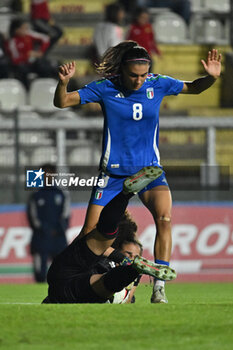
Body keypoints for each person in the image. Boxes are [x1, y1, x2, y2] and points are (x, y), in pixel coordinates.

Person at [53, 41, 222, 303]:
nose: (139, 81)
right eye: (134, 75)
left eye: (143, 75)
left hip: (149, 172)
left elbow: (195, 88)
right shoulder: (105, 87)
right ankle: (89, 279)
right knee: (89, 233)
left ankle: (159, 288)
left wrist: (210, 78)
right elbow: (62, 102)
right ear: (122, 71)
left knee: (164, 219)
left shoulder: (159, 83)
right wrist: (63, 82)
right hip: (112, 175)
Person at [42, 166, 176, 304]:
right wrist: (131, 270)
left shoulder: (108, 256)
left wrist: (126, 262)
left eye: (132, 256)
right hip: (78, 287)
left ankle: (126, 194)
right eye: (129, 254)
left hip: (67, 274)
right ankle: (133, 270)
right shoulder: (110, 262)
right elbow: (127, 298)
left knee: (105, 235)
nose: (129, 257)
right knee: (106, 282)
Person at [27, 164, 70, 282]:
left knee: (61, 272)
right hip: (41, 238)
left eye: (50, 173)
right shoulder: (36, 195)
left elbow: (65, 215)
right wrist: (45, 229)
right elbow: (33, 217)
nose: (47, 176)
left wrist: (59, 229)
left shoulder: (61, 194)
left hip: (58, 238)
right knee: (40, 274)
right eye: (44, 174)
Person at [5, 18, 57, 89]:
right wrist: (27, 55)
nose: (27, 30)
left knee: (44, 65)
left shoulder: (29, 35)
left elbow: (46, 39)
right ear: (16, 30)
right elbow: (15, 60)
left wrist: (40, 52)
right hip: (21, 66)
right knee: (21, 69)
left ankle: (46, 88)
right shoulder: (12, 42)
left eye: (27, 28)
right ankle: (26, 90)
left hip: (32, 63)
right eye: (24, 28)